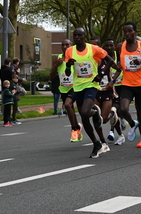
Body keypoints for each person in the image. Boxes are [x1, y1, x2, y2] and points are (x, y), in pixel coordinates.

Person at [64, 28, 117, 158]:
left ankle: (95, 112)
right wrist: (68, 65)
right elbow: (67, 73)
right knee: (84, 119)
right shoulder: (70, 51)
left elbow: (109, 60)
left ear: (84, 36)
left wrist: (101, 74)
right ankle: (96, 143)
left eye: (80, 35)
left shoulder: (93, 49)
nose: (77, 37)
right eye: (75, 35)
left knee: (85, 112)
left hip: (91, 85)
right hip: (77, 87)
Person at [113, 22, 141, 157]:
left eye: (129, 31)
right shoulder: (120, 46)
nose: (127, 34)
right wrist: (113, 79)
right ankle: (132, 124)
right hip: (127, 84)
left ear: (135, 32)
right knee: (122, 109)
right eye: (125, 31)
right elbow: (119, 65)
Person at [50, 39, 83, 142]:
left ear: (71, 46)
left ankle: (74, 128)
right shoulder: (58, 58)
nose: (64, 47)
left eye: (67, 45)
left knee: (68, 105)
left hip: (76, 87)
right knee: (70, 109)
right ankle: (76, 129)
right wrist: (56, 66)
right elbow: (51, 75)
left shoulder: (76, 57)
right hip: (64, 88)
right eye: (63, 45)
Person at [103, 38, 125, 146]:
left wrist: (113, 80)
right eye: (107, 46)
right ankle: (119, 134)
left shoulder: (119, 55)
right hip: (110, 88)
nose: (109, 48)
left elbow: (120, 69)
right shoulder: (103, 57)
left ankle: (114, 130)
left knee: (116, 110)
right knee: (113, 111)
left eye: (111, 45)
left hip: (121, 85)